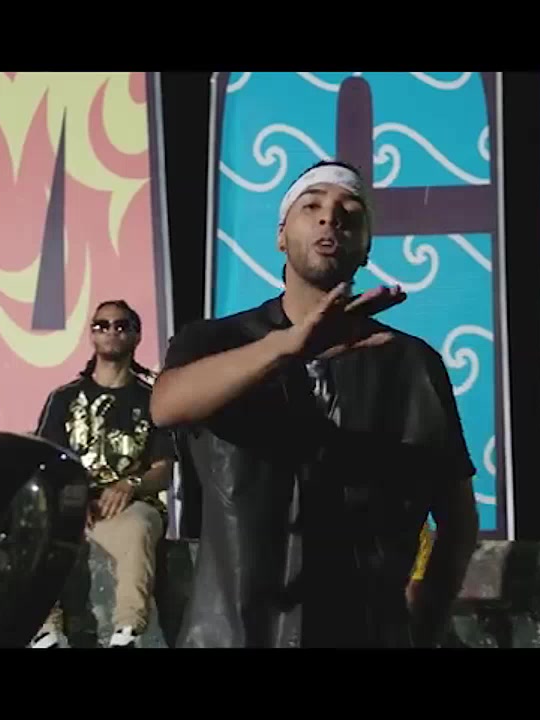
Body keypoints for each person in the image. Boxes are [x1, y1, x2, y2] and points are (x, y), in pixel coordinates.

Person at [151, 160, 479, 648]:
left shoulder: (411, 363)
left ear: (366, 246)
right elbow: (166, 405)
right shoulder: (214, 342)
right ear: (281, 236)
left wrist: (421, 626)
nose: (331, 217)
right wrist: (287, 347)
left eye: (351, 210)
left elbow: (457, 519)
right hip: (229, 636)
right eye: (312, 206)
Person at [30, 300, 175, 648]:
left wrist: (131, 484)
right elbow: (47, 463)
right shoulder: (63, 398)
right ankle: (46, 632)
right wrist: (73, 499)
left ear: (137, 336)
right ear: (92, 335)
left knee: (138, 527)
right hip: (74, 508)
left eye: (121, 325)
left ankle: (127, 632)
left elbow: (164, 471)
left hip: (131, 507)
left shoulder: (153, 399)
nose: (111, 331)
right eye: (102, 325)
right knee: (29, 522)